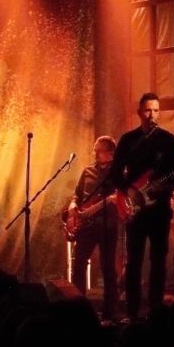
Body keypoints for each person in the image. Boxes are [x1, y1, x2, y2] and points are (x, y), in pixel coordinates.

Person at [110, 92, 174, 320]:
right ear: (140, 112)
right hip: (136, 210)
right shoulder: (128, 140)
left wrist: (164, 187)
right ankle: (132, 312)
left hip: (159, 210)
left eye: (156, 110)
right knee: (134, 261)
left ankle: (156, 312)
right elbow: (114, 174)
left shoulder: (169, 142)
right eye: (148, 110)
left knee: (158, 261)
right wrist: (129, 190)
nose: (152, 115)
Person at [62, 135, 118, 320]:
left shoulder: (117, 173)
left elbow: (123, 196)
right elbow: (77, 195)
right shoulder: (87, 171)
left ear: (110, 153)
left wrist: (115, 200)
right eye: (95, 149)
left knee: (107, 268)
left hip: (107, 226)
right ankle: (79, 309)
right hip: (86, 226)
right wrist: (73, 206)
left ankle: (109, 312)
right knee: (78, 264)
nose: (94, 153)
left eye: (98, 150)